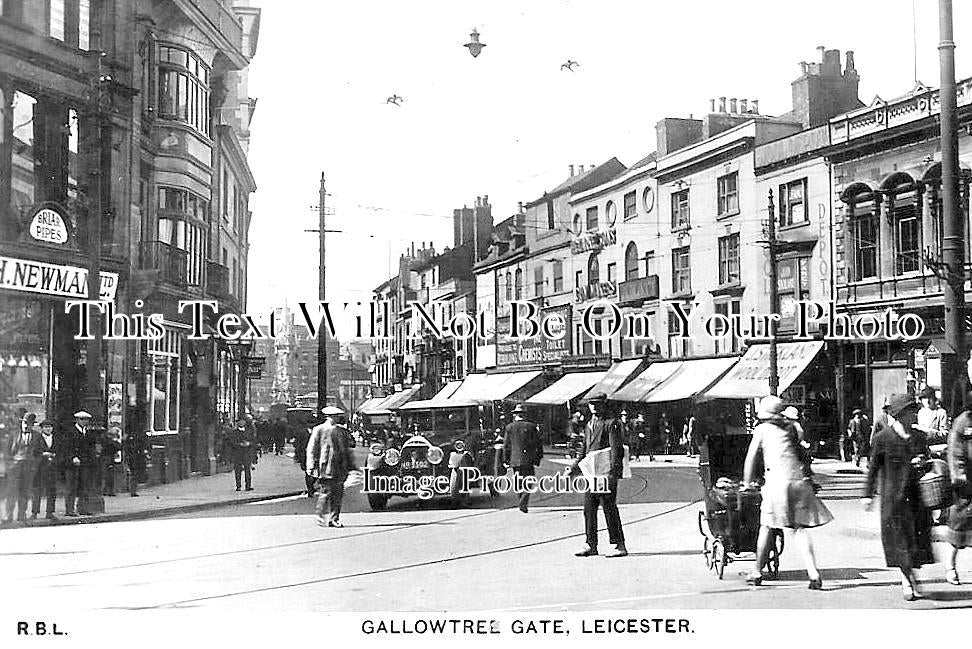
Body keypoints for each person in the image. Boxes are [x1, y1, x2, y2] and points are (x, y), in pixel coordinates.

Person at [743, 396, 833, 589]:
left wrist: (747, 482)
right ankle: (813, 573)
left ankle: (756, 571)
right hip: (798, 482)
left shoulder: (762, 430)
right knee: (798, 529)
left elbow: (751, 457)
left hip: (776, 484)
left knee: (766, 527)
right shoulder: (792, 428)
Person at [863, 393, 934, 601]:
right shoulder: (882, 439)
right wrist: (867, 495)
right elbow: (873, 469)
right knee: (900, 542)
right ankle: (907, 580)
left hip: (916, 498)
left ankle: (911, 576)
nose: (915, 415)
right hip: (893, 500)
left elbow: (927, 463)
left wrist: (922, 463)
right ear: (900, 414)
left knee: (916, 543)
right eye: (912, 411)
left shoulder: (919, 437)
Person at [567, 393, 627, 558]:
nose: (593, 406)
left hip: (605, 473)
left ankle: (619, 544)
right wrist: (573, 469)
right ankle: (590, 544)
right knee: (588, 509)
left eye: (597, 403)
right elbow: (584, 452)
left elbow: (616, 451)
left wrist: (613, 473)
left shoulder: (611, 424)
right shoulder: (589, 425)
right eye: (591, 404)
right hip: (591, 474)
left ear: (603, 405)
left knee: (609, 507)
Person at [306, 409, 357, 527]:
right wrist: (311, 466)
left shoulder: (342, 431)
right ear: (328, 417)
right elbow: (312, 448)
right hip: (325, 466)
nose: (336, 419)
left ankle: (334, 518)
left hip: (340, 466)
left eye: (337, 416)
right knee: (326, 492)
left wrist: (350, 465)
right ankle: (320, 515)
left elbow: (349, 448)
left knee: (338, 493)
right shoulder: (319, 429)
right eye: (333, 417)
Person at [943, 391, 972, 586]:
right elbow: (955, 450)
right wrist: (959, 473)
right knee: (958, 527)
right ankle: (950, 566)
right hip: (966, 483)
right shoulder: (964, 422)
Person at [503, 404, 543, 513]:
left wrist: (505, 460)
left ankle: (521, 499)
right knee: (529, 481)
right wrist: (538, 458)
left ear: (515, 415)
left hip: (515, 460)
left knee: (518, 481)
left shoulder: (509, 427)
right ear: (524, 415)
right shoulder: (531, 426)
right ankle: (523, 502)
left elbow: (506, 445)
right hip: (528, 459)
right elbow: (538, 444)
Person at [4, 413, 37, 523]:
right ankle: (8, 516)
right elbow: (7, 452)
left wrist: (34, 465)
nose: (27, 426)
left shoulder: (37, 436)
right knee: (12, 491)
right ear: (21, 423)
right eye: (25, 423)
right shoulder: (13, 435)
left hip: (29, 468)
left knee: (25, 492)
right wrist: (10, 466)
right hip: (15, 467)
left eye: (30, 424)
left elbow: (39, 453)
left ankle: (22, 516)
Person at [64, 411, 98, 517]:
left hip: (85, 463)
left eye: (86, 420)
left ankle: (83, 508)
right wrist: (72, 457)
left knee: (85, 486)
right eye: (82, 419)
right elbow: (66, 447)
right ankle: (69, 510)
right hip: (73, 463)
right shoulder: (70, 432)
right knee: (71, 487)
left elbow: (90, 448)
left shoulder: (88, 433)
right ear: (77, 420)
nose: (85, 422)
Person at [30, 420, 59, 520]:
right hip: (40, 468)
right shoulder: (37, 438)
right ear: (42, 428)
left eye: (50, 427)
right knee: (37, 490)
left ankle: (50, 512)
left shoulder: (56, 438)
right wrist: (43, 454)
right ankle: (34, 512)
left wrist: (55, 455)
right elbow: (33, 451)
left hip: (52, 468)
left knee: (51, 490)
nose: (48, 429)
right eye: (46, 427)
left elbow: (59, 450)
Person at [293, 414, 318, 498]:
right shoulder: (302, 432)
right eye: (310, 423)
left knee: (317, 472)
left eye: (313, 423)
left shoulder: (318, 432)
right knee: (308, 472)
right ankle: (310, 489)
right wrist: (297, 456)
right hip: (305, 455)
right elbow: (297, 444)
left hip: (316, 455)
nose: (312, 425)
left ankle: (312, 486)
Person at [228, 419, 255, 491]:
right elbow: (231, 442)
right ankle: (238, 486)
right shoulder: (234, 432)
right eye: (240, 421)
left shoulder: (249, 431)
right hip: (238, 453)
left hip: (247, 453)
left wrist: (249, 444)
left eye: (243, 421)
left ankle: (248, 486)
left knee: (247, 470)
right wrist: (239, 444)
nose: (242, 423)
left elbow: (253, 441)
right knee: (238, 470)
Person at [123, 428, 147, 497]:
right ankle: (133, 491)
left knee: (133, 475)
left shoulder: (129, 440)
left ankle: (132, 490)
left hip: (131, 459)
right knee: (134, 475)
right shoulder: (136, 441)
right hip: (134, 460)